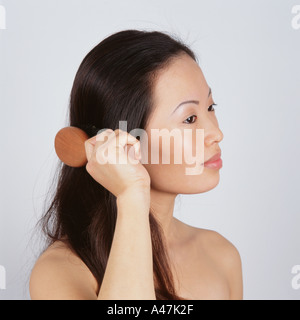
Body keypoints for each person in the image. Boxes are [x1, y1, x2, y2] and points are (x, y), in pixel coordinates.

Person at [29, 29, 243, 300]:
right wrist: (131, 195)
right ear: (125, 138)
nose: (216, 133)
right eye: (189, 119)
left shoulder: (222, 257)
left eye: (211, 108)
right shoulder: (60, 272)